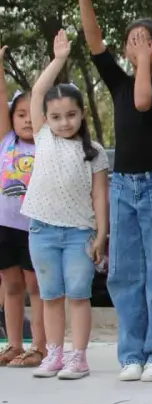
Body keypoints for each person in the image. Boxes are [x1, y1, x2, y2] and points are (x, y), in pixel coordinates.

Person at [79, 0, 152, 382]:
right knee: (124, 273)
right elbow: (93, 41)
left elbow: (143, 102)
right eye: (131, 42)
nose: (136, 47)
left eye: (145, 42)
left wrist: (143, 61)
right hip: (123, 186)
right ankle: (132, 355)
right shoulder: (118, 82)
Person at [20, 30, 109, 379]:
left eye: (70, 115)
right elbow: (39, 92)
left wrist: (100, 235)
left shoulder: (95, 152)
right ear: (46, 119)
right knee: (50, 294)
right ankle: (53, 353)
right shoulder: (43, 137)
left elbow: (100, 195)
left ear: (82, 114)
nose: (63, 122)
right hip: (41, 229)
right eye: (56, 117)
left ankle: (78, 356)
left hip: (79, 234)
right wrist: (58, 60)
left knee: (77, 294)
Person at [0, 62, 47, 369]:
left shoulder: (46, 144)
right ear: (10, 118)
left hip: (36, 228)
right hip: (5, 227)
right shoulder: (5, 140)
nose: (27, 120)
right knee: (12, 287)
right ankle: (14, 344)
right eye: (20, 114)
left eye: (33, 114)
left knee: (36, 288)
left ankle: (40, 347)